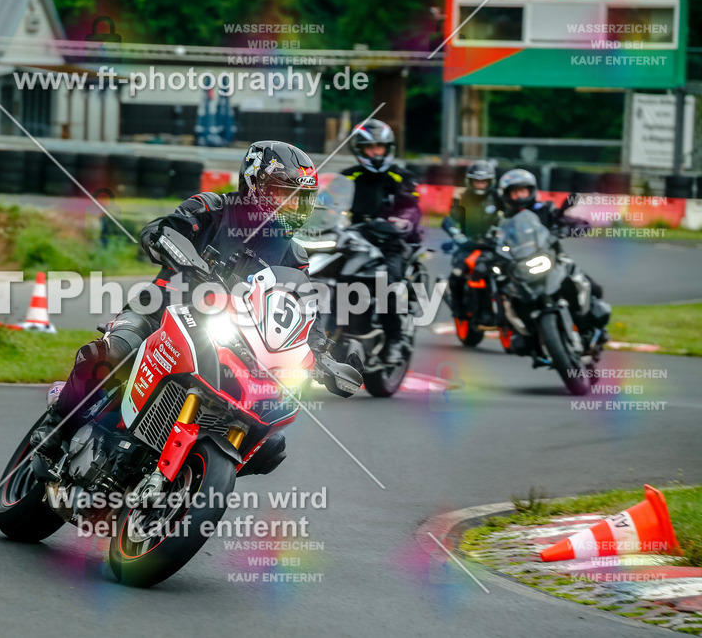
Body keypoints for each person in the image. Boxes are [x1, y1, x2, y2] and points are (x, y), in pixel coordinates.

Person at [32, 140, 337, 477]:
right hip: (162, 310)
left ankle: (195, 476)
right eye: (283, 194)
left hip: (237, 341)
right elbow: (162, 230)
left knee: (272, 442)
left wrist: (322, 354)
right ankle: (54, 431)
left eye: (299, 199)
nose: (291, 206)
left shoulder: (294, 256)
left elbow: (305, 309)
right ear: (255, 184)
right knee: (111, 354)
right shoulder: (213, 208)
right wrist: (169, 244)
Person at [341, 119, 422, 365]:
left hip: (392, 243)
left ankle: (395, 338)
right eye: (370, 148)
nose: (376, 153)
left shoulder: (401, 176)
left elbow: (412, 207)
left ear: (388, 149)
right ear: (359, 149)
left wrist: (400, 221)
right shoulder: (348, 176)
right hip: (354, 240)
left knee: (386, 282)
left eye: (380, 147)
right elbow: (325, 204)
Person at [497, 169, 610, 338]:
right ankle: (523, 331)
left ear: (531, 191)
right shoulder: (504, 221)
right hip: (523, 265)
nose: (520, 196)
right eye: (515, 192)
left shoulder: (544, 209)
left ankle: (591, 325)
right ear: (507, 195)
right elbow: (499, 241)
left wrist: (573, 226)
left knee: (591, 286)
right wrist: (495, 247)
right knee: (505, 288)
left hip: (552, 258)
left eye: (523, 190)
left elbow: (562, 219)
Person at [442, 160, 502, 319]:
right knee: (457, 273)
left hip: (492, 245)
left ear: (490, 182)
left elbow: (511, 217)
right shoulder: (462, 198)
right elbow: (451, 220)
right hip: (467, 245)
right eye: (477, 181)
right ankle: (458, 308)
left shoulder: (497, 197)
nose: (480, 184)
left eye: (484, 181)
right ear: (470, 181)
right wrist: (457, 236)